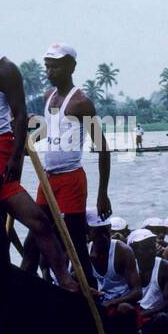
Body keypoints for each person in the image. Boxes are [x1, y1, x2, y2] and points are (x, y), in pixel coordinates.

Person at [0, 9, 75, 287]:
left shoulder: (5, 68)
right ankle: (60, 276)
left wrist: (15, 158)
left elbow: (20, 115)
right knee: (37, 221)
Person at [23, 42, 111, 270]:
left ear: (71, 67)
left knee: (76, 245)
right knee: (33, 241)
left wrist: (103, 194)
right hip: (47, 180)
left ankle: (89, 292)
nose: (51, 72)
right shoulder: (48, 95)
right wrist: (31, 141)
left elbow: (103, 148)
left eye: (56, 67)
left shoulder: (81, 103)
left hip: (72, 180)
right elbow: (51, 128)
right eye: (48, 67)